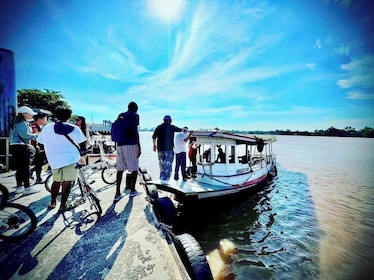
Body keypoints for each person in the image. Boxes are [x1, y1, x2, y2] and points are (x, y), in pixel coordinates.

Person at [37, 106, 86, 211]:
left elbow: (41, 142)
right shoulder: (74, 128)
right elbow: (82, 143)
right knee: (67, 182)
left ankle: (53, 202)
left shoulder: (47, 128)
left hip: (54, 159)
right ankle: (63, 205)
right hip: (71, 158)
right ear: (69, 117)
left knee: (56, 181)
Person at [9, 106, 39, 195]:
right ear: (24, 114)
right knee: (25, 167)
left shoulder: (17, 122)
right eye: (30, 114)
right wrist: (36, 135)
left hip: (15, 147)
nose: (31, 116)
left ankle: (19, 187)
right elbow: (25, 135)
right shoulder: (21, 123)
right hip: (21, 147)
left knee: (19, 168)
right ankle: (27, 188)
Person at [114, 102, 141, 200]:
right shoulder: (135, 116)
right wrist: (139, 146)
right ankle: (133, 190)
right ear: (136, 108)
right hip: (130, 144)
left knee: (120, 169)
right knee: (134, 168)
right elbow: (135, 131)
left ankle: (117, 193)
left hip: (119, 144)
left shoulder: (121, 115)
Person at [152, 115, 182, 183]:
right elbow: (181, 130)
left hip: (160, 149)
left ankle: (162, 179)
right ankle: (166, 180)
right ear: (170, 120)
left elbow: (154, 137)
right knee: (168, 165)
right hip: (169, 149)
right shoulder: (171, 127)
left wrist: (154, 145)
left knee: (161, 164)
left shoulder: (159, 127)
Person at [30, 112, 48, 184]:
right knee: (39, 163)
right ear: (40, 119)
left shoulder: (41, 126)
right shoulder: (34, 126)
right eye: (45, 119)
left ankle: (35, 175)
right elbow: (35, 135)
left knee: (41, 163)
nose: (46, 120)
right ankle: (36, 176)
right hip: (36, 147)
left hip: (41, 147)